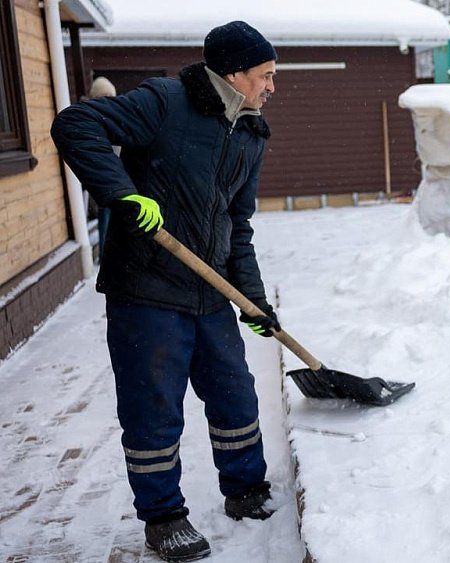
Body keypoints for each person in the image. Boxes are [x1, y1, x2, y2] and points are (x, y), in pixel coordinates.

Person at [52, 21, 280, 562]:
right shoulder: (164, 101)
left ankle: (245, 489)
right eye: (267, 75)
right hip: (147, 290)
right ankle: (164, 517)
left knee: (235, 392)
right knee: (153, 408)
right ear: (234, 72)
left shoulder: (250, 133)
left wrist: (252, 299)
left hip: (208, 291)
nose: (273, 87)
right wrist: (123, 195)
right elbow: (76, 123)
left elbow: (236, 226)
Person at [86, 76, 117, 260]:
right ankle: (106, 255)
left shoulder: (115, 114)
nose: (108, 99)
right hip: (103, 177)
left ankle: (112, 254)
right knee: (105, 216)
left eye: (110, 95)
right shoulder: (92, 118)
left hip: (118, 173)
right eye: (104, 96)